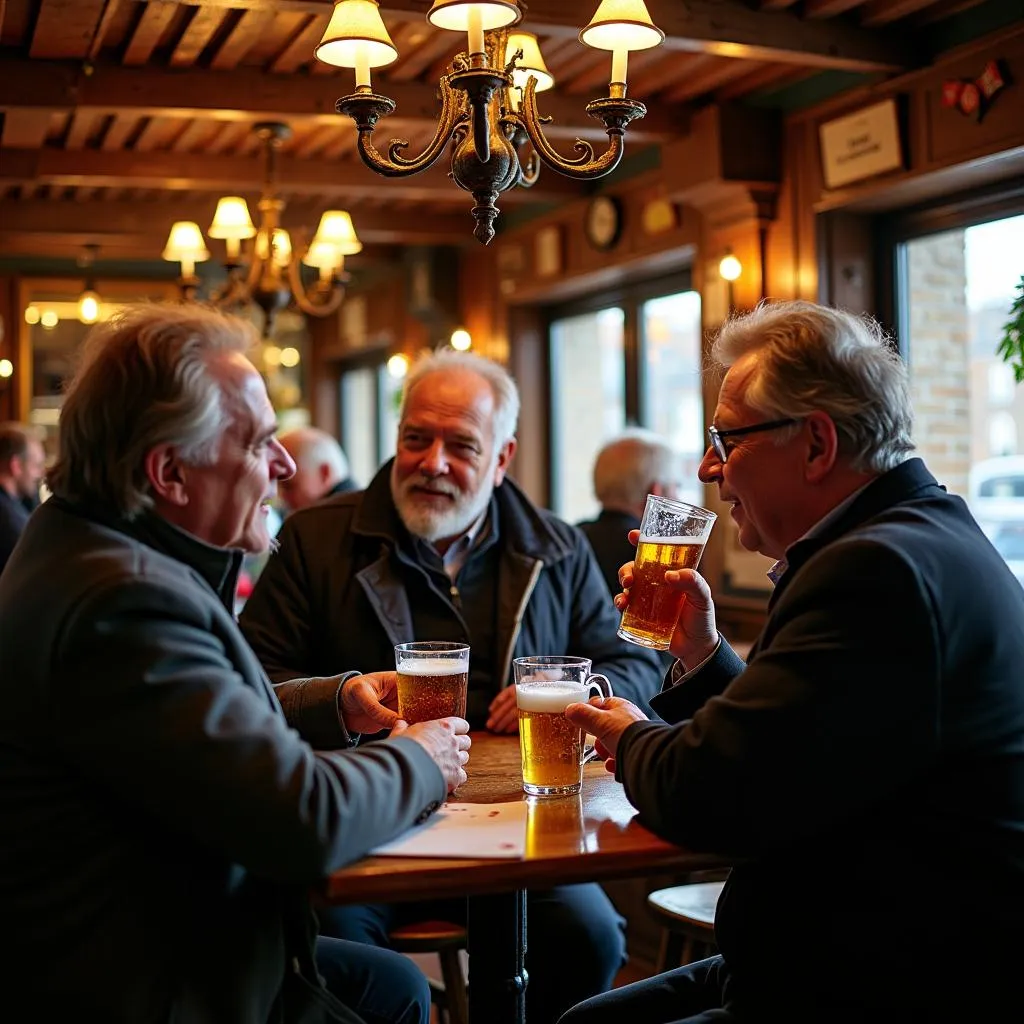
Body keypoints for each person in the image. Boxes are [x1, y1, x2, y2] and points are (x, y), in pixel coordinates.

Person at [0, 304, 472, 1024]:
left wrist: (330, 702)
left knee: (394, 987)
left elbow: (171, 730)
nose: (283, 466)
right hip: (145, 974)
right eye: (257, 444)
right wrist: (421, 759)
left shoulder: (82, 547)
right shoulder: (121, 601)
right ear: (170, 474)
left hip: (156, 934)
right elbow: (301, 820)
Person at [560, 300, 1024, 1024]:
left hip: (884, 982)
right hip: (846, 951)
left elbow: (717, 795)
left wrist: (625, 732)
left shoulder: (875, 573)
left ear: (815, 444)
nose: (709, 467)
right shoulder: (917, 535)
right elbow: (799, 746)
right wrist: (705, 654)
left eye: (727, 439)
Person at [239, 347, 665, 1024]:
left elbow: (633, 660)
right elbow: (255, 676)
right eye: (416, 438)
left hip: (518, 826)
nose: (433, 462)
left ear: (502, 460)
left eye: (461, 445)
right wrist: (342, 698)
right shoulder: (317, 538)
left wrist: (583, 692)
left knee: (590, 937)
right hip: (370, 820)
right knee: (336, 954)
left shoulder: (556, 545)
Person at [578, 428, 682, 599]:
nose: (678, 497)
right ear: (656, 492)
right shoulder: (658, 555)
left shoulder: (571, 541)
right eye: (675, 486)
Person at [0, 421, 46, 574]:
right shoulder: (10, 521)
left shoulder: (14, 505)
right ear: (16, 466)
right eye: (37, 466)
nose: (41, 474)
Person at [279, 426, 359, 513]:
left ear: (325, 473)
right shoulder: (357, 512)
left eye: (289, 486)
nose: (282, 497)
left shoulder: (328, 521)